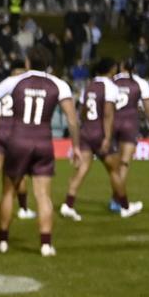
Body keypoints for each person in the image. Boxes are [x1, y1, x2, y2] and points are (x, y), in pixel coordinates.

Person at [0, 46, 80, 256]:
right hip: (43, 142)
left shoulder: (16, 81)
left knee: (8, 193)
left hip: (18, 140)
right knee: (43, 196)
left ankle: (2, 241)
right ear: (49, 64)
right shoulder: (59, 84)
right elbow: (73, 120)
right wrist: (75, 146)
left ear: (28, 62)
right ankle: (46, 245)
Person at [61, 58, 135, 221]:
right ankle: (125, 207)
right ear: (110, 69)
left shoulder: (89, 86)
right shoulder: (110, 87)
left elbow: (82, 111)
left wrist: (86, 124)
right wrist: (108, 137)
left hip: (86, 132)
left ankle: (68, 204)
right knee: (114, 170)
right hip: (100, 133)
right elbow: (108, 113)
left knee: (82, 169)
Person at [0, 58, 35, 222]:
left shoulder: (2, 86)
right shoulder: (26, 87)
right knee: (20, 173)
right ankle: (24, 209)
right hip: (15, 132)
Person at [110, 59, 149, 215]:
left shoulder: (111, 81)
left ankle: (116, 198)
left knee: (114, 165)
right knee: (124, 164)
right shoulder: (141, 83)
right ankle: (117, 200)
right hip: (130, 124)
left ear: (120, 66)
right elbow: (148, 108)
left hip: (112, 124)